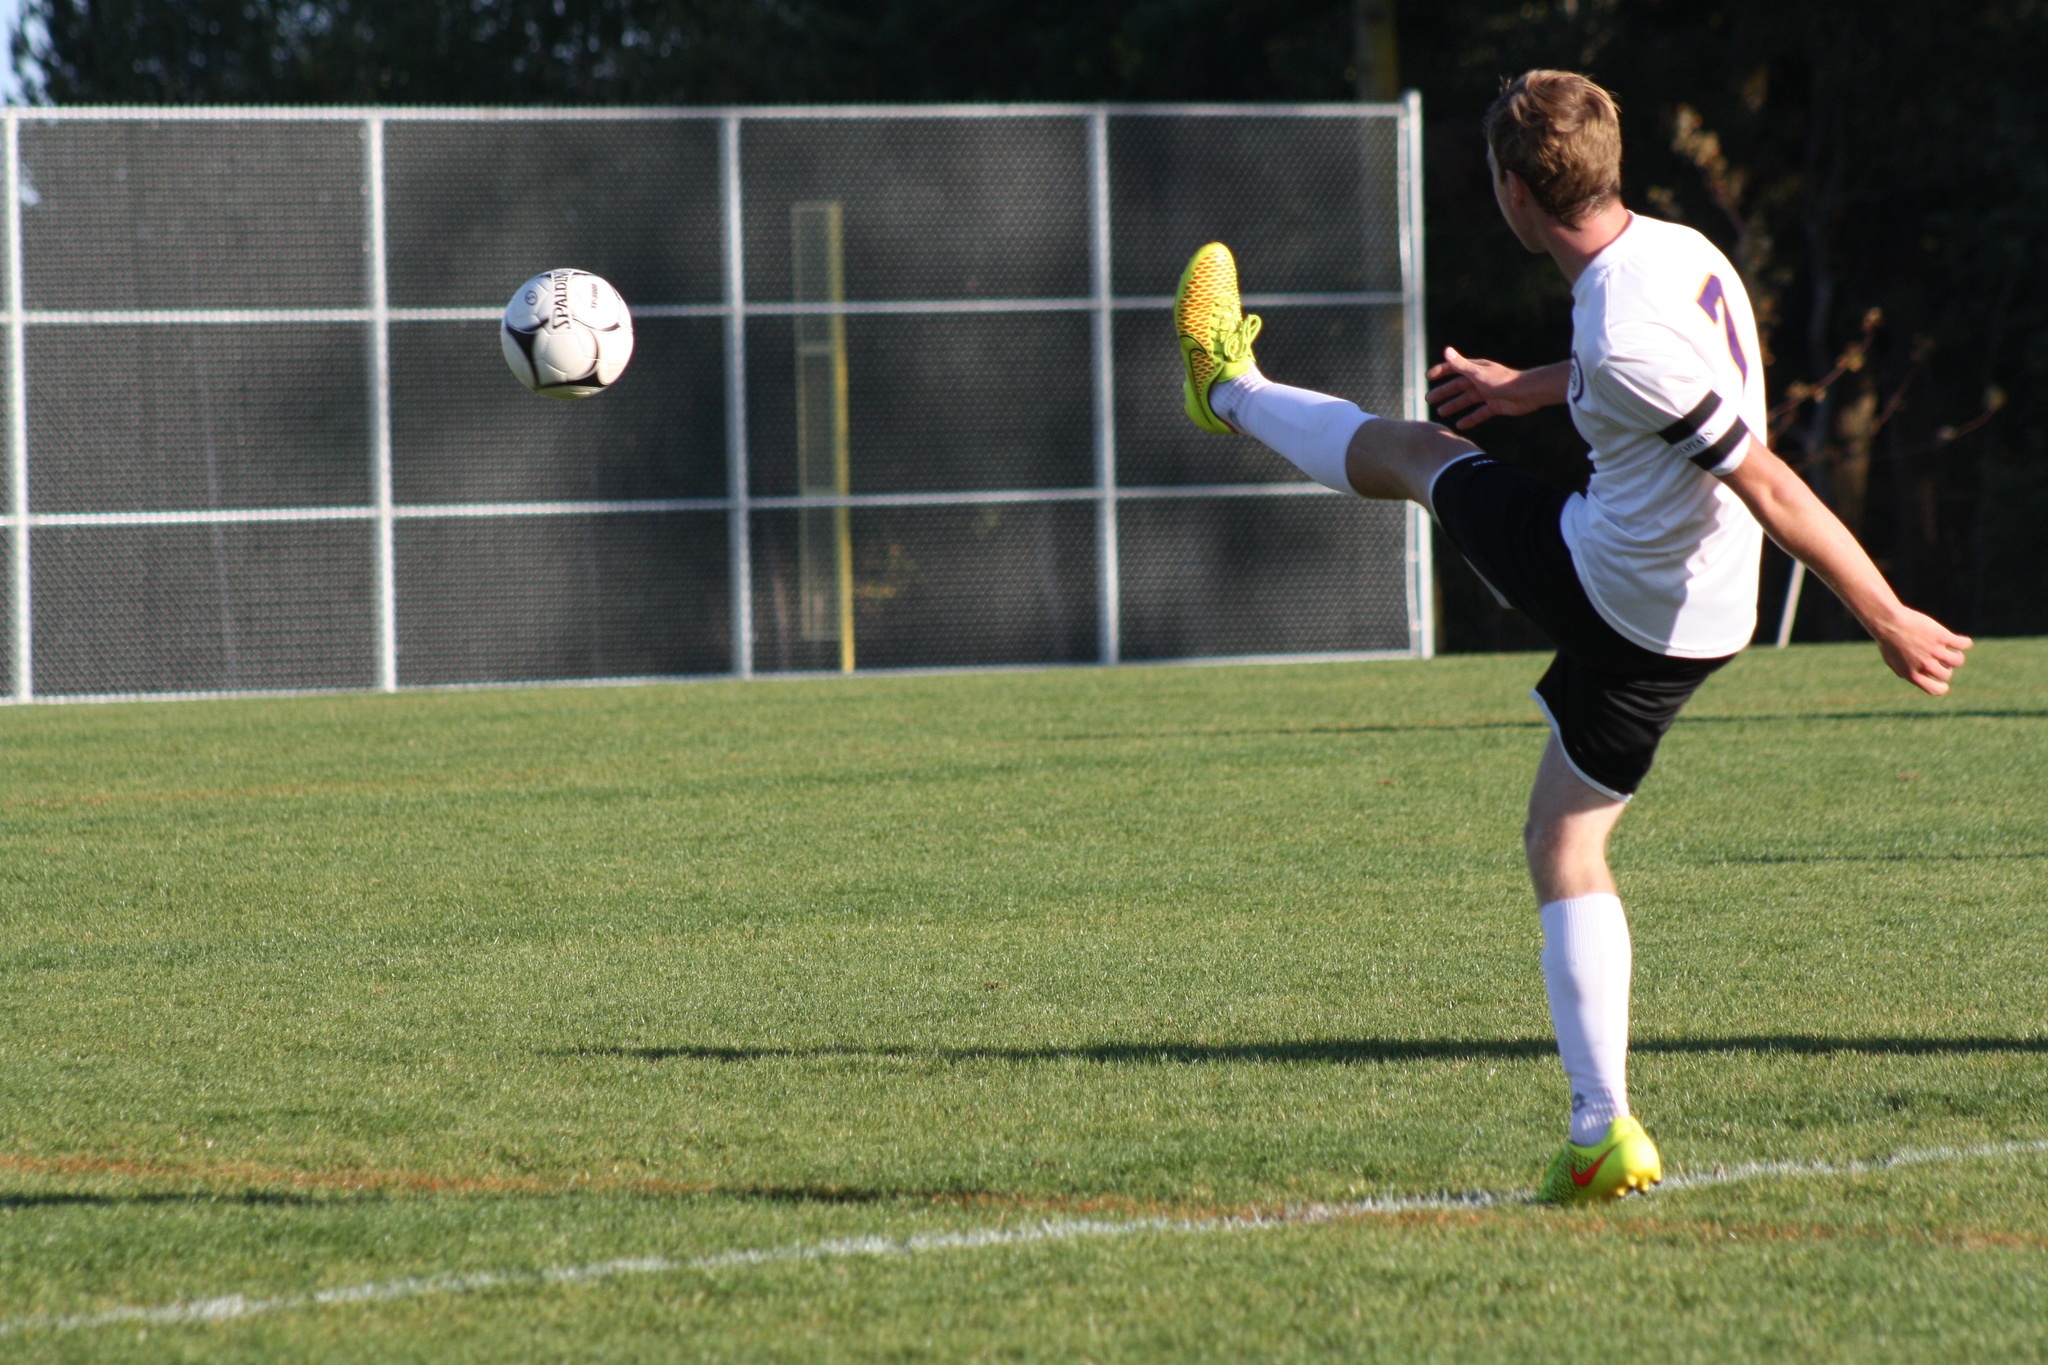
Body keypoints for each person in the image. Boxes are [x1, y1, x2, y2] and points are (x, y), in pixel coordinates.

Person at [1172, 69, 1972, 1203]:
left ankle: (1226, 387)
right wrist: (1527, 386)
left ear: (1510, 193)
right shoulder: (1677, 253)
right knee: (1562, 840)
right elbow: (1642, 381)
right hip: (1704, 616)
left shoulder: (1618, 314)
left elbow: (1764, 478)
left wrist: (1884, 615)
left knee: (1414, 455)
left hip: (1617, 592)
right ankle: (1601, 1132)